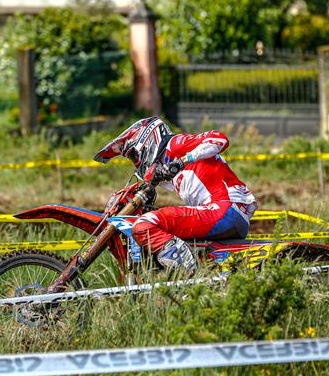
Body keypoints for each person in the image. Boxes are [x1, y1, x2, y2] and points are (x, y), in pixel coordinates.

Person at [94, 117, 257, 274]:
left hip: (225, 208)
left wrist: (182, 161)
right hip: (228, 214)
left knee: (143, 225)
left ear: (146, 141)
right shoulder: (166, 166)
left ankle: (187, 273)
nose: (136, 162)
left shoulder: (175, 145)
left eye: (134, 156)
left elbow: (220, 138)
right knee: (160, 227)